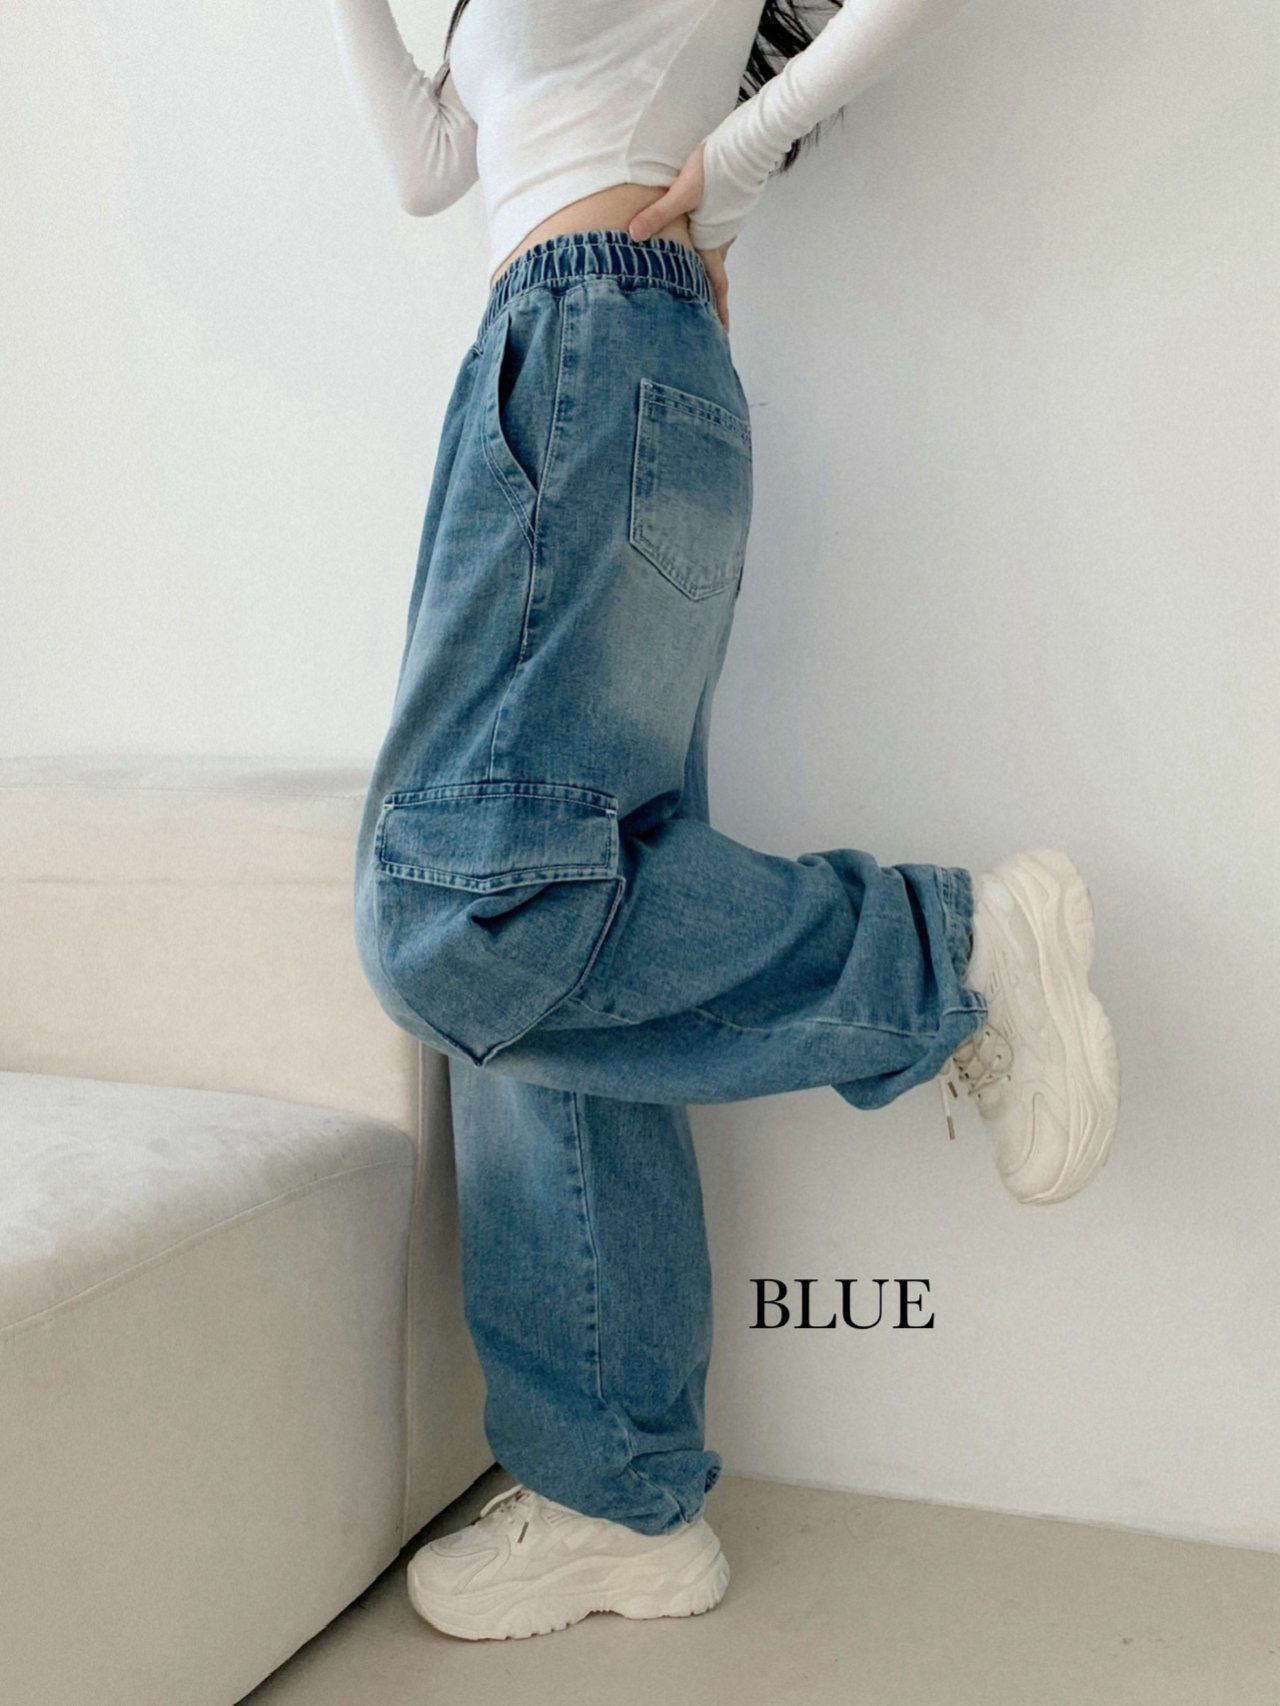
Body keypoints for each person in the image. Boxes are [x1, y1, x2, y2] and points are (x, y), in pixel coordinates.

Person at [326, 0, 1121, 1644]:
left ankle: (949, 954)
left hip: (588, 342)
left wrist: (742, 157)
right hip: (570, 353)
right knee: (560, 917)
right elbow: (429, 162)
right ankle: (617, 1497)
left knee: (464, 915)